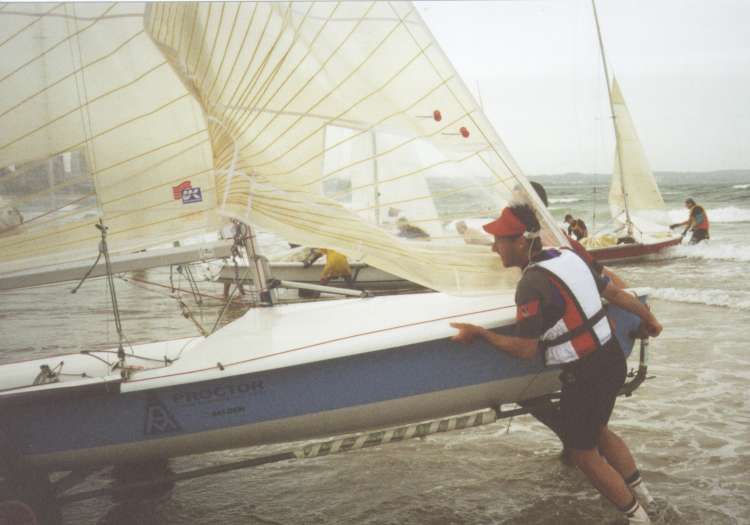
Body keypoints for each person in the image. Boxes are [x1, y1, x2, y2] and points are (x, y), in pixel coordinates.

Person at [450, 204, 660, 524]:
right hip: (612, 359)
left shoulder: (531, 284)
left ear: (521, 242)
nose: (494, 247)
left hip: (587, 373)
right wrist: (650, 319)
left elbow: (524, 350)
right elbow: (616, 293)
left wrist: (481, 334)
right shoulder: (569, 256)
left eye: (500, 240)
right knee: (597, 431)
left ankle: (638, 518)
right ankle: (648, 499)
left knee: (583, 453)